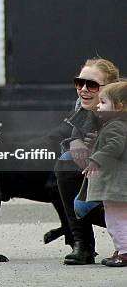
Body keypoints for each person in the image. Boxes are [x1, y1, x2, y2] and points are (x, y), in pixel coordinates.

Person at [55, 58, 120, 265]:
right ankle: (82, 245)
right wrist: (75, 141)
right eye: (79, 82)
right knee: (65, 163)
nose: (83, 89)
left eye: (91, 85)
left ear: (109, 88)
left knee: (83, 205)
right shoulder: (83, 105)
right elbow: (77, 130)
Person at [82, 81, 127, 267]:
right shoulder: (118, 124)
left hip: (115, 186)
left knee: (115, 219)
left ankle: (124, 252)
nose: (98, 105)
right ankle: (121, 248)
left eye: (103, 102)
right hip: (118, 185)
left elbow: (115, 146)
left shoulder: (115, 126)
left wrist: (96, 159)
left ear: (119, 107)